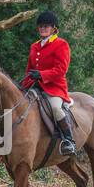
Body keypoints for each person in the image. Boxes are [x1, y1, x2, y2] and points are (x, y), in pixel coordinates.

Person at [21, 10, 75, 155]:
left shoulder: (61, 44)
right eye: (41, 26)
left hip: (54, 88)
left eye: (46, 26)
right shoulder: (34, 46)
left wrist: (42, 74)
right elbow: (29, 70)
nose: (43, 29)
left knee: (56, 108)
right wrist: (22, 86)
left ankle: (69, 141)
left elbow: (61, 69)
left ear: (53, 28)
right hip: (35, 86)